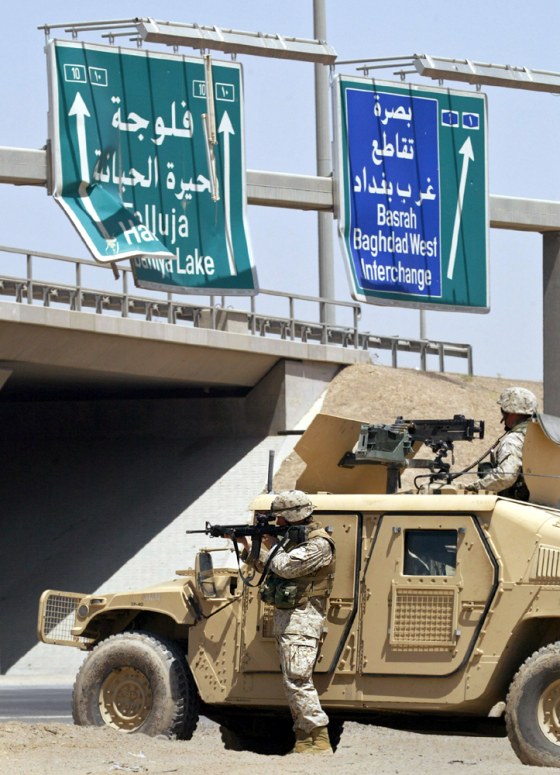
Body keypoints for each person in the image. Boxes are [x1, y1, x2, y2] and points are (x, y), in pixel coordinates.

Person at [238, 489, 336, 754]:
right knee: (292, 682)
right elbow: (269, 567)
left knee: (298, 680)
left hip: (302, 622)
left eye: (279, 518)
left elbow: (285, 567)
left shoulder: (319, 544)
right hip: (289, 621)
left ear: (293, 517)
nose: (276, 523)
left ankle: (320, 740)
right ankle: (304, 739)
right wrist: (248, 547)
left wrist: (270, 545)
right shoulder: (291, 542)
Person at [463, 386, 538, 499]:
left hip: (520, 507)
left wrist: (476, 487)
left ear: (511, 413)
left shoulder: (514, 439)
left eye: (503, 411)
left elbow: (505, 476)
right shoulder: (542, 435)